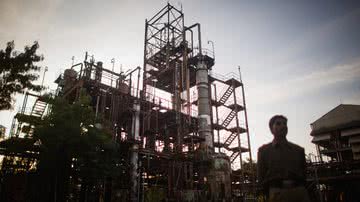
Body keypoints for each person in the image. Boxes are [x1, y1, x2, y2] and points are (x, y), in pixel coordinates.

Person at [257, 115, 310, 202]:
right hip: (276, 193)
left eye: (285, 124)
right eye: (278, 124)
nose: (283, 126)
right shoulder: (264, 151)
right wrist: (261, 199)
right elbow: (261, 178)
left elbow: (304, 173)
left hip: (299, 192)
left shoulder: (298, 150)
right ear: (271, 129)